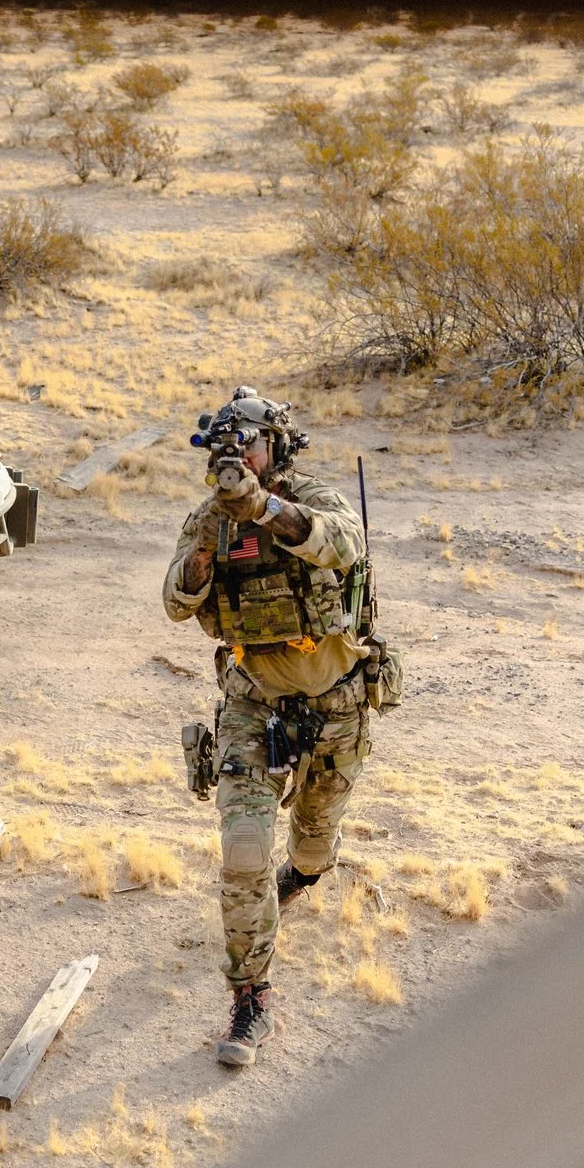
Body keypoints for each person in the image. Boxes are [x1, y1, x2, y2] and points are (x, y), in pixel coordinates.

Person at [163, 389, 397, 1067]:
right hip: (252, 703)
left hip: (335, 706)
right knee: (243, 851)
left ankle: (304, 871)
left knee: (315, 846)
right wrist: (208, 540)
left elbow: (341, 544)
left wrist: (263, 508)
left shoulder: (314, 498)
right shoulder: (208, 520)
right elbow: (176, 602)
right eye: (227, 445)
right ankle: (251, 998)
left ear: (277, 447)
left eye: (250, 443)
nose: (238, 456)